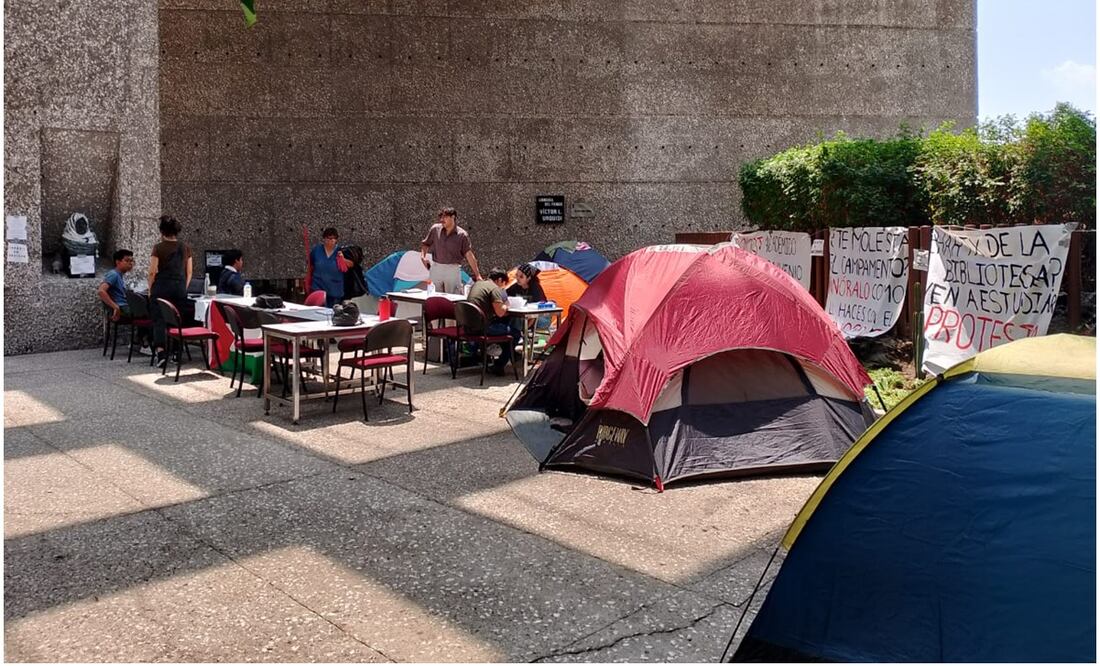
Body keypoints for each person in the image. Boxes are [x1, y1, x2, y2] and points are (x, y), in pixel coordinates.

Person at [148, 215, 194, 368]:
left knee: (159, 320)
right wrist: (183, 288)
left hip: (161, 287)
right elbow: (189, 272)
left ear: (161, 231)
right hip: (179, 288)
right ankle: (176, 352)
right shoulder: (185, 247)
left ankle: (161, 353)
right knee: (177, 319)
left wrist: (150, 289)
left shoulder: (158, 247)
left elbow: (152, 272)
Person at [467, 268, 521, 376]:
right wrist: (506, 305)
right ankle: (499, 365)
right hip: (482, 328)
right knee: (515, 333)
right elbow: (500, 312)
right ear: (500, 280)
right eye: (504, 284)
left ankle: (495, 358)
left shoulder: (478, 284)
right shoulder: (494, 289)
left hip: (468, 326)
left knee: (504, 330)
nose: (503, 288)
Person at [420, 207, 481, 294]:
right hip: (436, 267)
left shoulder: (462, 235)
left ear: (453, 217)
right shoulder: (435, 229)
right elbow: (425, 244)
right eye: (440, 217)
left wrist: (477, 275)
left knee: (454, 296)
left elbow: (469, 255)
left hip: (453, 269)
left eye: (445, 217)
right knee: (433, 296)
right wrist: (423, 257)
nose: (442, 220)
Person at [309, 227, 346, 307]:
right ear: (324, 239)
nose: (331, 241)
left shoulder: (341, 251)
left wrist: (343, 258)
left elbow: (347, 266)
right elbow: (311, 264)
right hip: (318, 286)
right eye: (329, 238)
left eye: (334, 239)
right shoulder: (317, 250)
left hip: (335, 289)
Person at [97, 249, 135, 321]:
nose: (130, 263)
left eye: (132, 261)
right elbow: (101, 291)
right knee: (152, 312)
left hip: (124, 306)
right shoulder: (113, 274)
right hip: (122, 308)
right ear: (118, 262)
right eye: (127, 261)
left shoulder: (119, 275)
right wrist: (115, 307)